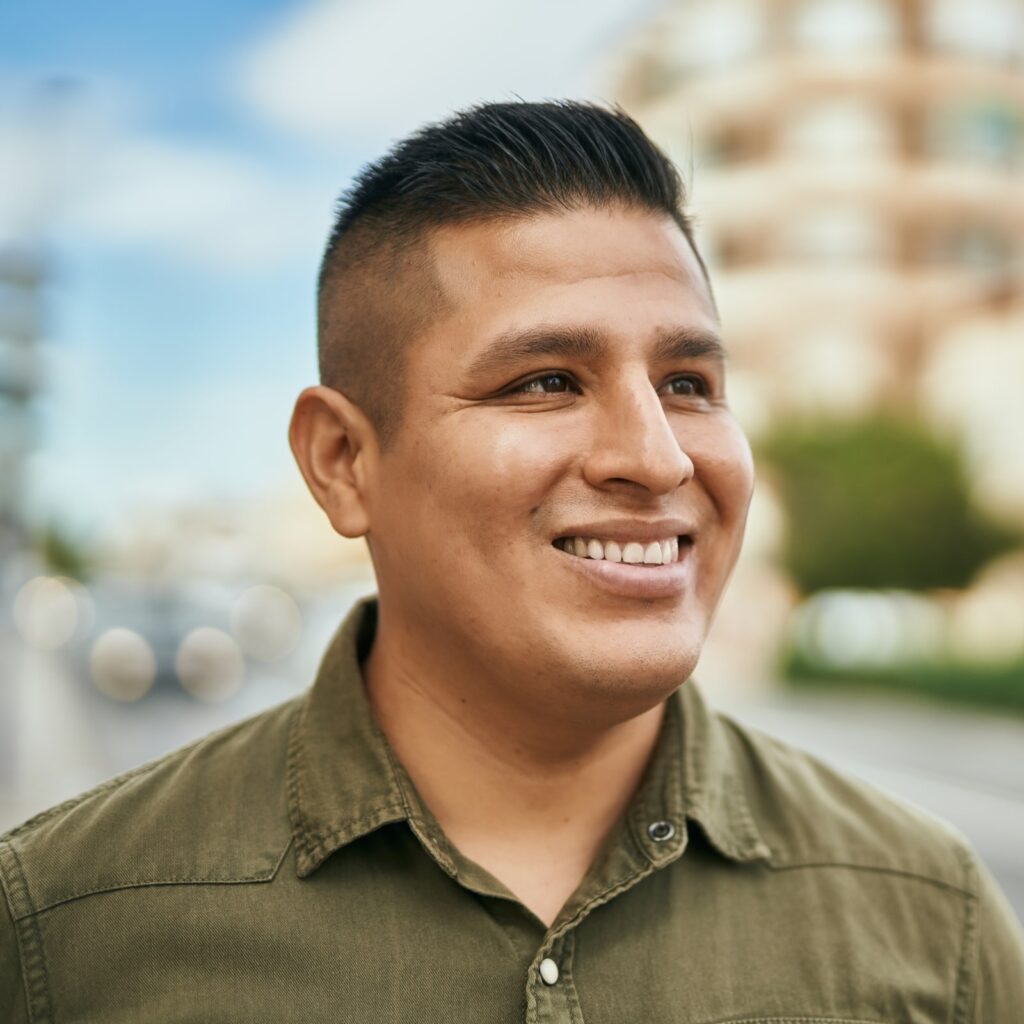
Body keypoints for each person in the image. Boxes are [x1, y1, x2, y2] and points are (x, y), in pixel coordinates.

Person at [2, 100, 1022, 1022]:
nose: (656, 455)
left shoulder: (932, 921)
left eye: (686, 382)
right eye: (544, 381)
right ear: (343, 461)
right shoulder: (64, 929)